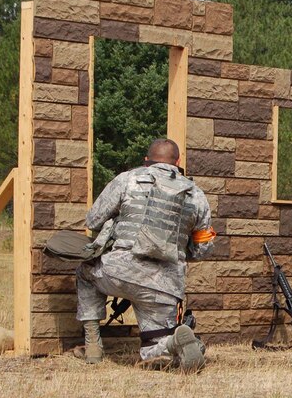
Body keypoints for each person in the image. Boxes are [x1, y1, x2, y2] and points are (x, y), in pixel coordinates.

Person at [75, 139, 216, 371]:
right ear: (178, 162)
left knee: (84, 272)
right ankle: (170, 343)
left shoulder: (128, 179)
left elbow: (93, 220)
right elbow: (203, 249)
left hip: (118, 273)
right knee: (153, 346)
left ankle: (92, 345)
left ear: (146, 160)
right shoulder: (196, 194)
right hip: (165, 287)